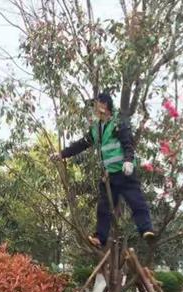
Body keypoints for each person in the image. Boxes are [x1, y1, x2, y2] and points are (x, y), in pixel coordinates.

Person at [50, 91, 154, 248]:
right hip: (109, 175)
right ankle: (100, 237)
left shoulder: (117, 123)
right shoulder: (96, 128)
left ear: (104, 105)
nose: (93, 108)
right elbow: (81, 144)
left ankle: (146, 229)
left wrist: (128, 161)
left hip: (124, 172)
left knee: (136, 200)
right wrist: (61, 154)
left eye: (95, 104)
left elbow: (128, 143)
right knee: (104, 207)